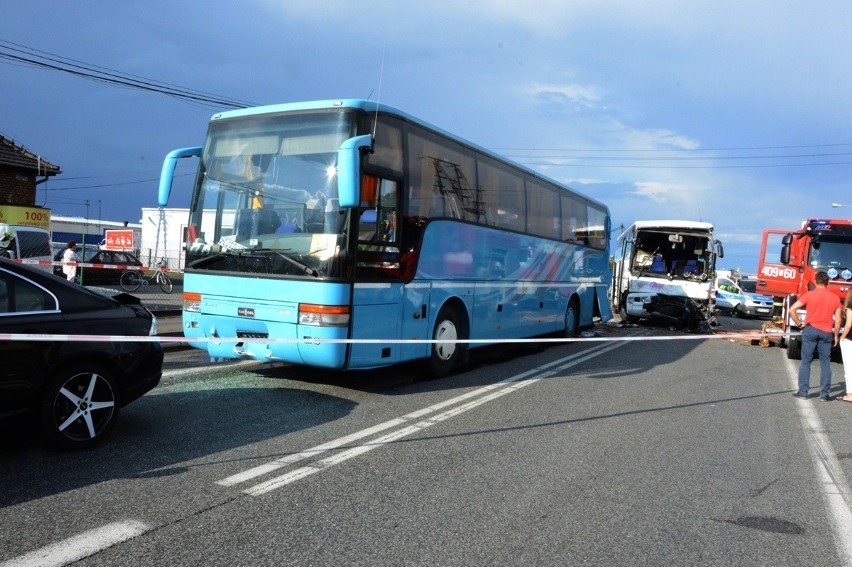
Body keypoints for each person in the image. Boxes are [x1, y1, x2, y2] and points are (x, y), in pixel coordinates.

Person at [790, 271, 842, 401]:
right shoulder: (835, 298)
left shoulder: (809, 295)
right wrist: (836, 335)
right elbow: (839, 319)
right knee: (825, 363)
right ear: (827, 282)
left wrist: (798, 323)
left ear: (815, 281)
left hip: (810, 329)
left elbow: (792, 309)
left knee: (806, 361)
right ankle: (824, 394)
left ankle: (803, 392)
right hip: (826, 332)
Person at [835, 288, 852, 401]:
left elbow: (849, 324)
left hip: (850, 339)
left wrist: (842, 337)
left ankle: (850, 394)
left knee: (849, 366)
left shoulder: (850, 305)